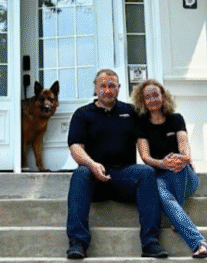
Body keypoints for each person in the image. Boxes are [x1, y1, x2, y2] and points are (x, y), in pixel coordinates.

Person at [66, 69, 168, 259]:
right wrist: (92, 164)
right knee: (80, 174)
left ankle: (150, 242)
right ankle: (78, 242)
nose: (107, 90)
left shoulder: (130, 112)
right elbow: (75, 148)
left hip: (124, 176)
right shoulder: (82, 114)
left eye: (111, 86)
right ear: (96, 88)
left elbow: (146, 142)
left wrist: (169, 161)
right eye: (103, 86)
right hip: (94, 178)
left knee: (146, 172)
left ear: (119, 88)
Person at [132, 79, 207, 259]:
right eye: (147, 97)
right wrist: (162, 163)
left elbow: (185, 150)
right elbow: (145, 157)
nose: (152, 100)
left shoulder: (176, 119)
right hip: (160, 176)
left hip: (185, 177)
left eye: (156, 95)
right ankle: (199, 243)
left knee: (178, 167)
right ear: (142, 101)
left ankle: (179, 216)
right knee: (160, 192)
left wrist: (180, 159)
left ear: (163, 96)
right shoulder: (141, 124)